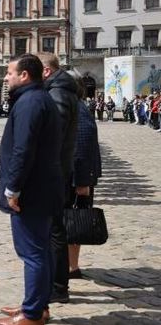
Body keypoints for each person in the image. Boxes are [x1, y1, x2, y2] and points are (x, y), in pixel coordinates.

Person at [0, 54, 63, 325]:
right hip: (42, 188)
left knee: (32, 253)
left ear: (24, 75)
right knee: (40, 251)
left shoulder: (30, 102)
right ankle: (36, 305)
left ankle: (32, 314)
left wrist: (13, 189)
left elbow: (23, 149)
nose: (6, 77)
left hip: (31, 192)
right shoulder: (38, 98)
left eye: (10, 73)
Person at [37, 52, 79, 305]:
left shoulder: (57, 93)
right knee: (55, 230)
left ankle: (57, 286)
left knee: (53, 231)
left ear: (46, 71)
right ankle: (56, 285)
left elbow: (55, 136)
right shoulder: (60, 89)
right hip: (58, 171)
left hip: (54, 174)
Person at [67, 71, 102, 279]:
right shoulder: (74, 104)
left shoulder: (75, 107)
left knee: (73, 221)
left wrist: (82, 181)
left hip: (76, 176)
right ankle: (70, 265)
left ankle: (72, 267)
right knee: (71, 221)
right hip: (76, 174)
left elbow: (83, 142)